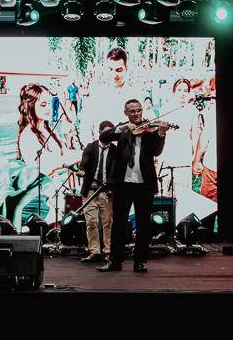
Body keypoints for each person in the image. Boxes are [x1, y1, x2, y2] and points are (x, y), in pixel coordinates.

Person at [97, 99, 168, 273]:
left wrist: (161, 133)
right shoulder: (122, 129)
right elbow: (103, 137)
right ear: (126, 113)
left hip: (144, 184)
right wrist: (122, 128)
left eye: (139, 111)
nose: (136, 114)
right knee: (119, 224)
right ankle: (115, 262)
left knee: (143, 225)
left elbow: (156, 152)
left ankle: (140, 262)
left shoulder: (150, 130)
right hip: (123, 183)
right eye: (133, 111)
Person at [16, 83, 80, 224]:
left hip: (57, 192)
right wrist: (84, 155)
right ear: (30, 106)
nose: (49, 108)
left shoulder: (48, 129)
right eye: (43, 104)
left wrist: (86, 151)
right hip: (42, 198)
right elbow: (48, 164)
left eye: (49, 103)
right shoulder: (28, 135)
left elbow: (64, 153)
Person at [78, 47, 140, 143]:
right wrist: (93, 151)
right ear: (105, 69)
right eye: (110, 69)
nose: (114, 75)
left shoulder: (134, 96)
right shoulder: (96, 94)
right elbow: (85, 127)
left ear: (126, 69)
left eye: (118, 70)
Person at [77, 120, 116, 263]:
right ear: (99, 133)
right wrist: (81, 171)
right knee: (91, 222)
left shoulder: (115, 150)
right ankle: (94, 251)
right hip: (90, 191)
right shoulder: (91, 147)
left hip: (106, 192)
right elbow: (83, 164)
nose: (108, 135)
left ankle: (108, 251)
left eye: (110, 132)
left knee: (107, 223)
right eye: (106, 132)